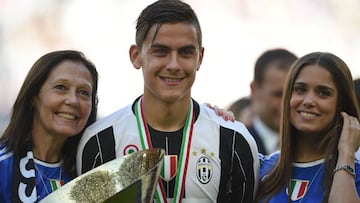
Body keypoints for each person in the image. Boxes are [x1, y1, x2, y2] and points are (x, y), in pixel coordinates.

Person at [76, 0, 259, 202]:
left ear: (200, 57)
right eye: (160, 51)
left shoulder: (234, 140)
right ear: (136, 56)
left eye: (185, 52)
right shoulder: (100, 141)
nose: (173, 65)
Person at [255, 52, 360, 202]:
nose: (308, 101)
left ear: (342, 104)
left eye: (324, 93)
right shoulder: (263, 166)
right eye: (300, 89)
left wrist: (346, 155)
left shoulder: (355, 173)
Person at [0, 50, 99, 202]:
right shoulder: (3, 167)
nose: (73, 100)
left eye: (83, 92)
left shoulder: (93, 173)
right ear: (33, 96)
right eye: (61, 87)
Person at [248, 48, 298, 155]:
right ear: (255, 90)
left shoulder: (316, 149)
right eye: (278, 95)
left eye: (294, 94)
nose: (286, 104)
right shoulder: (235, 144)